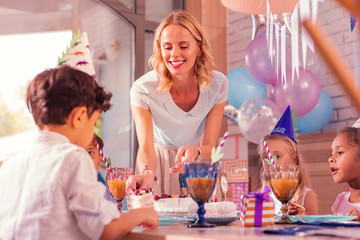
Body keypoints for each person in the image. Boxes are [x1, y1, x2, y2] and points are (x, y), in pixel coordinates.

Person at [0, 66, 158, 240]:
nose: (93, 131)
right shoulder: (73, 157)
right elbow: (105, 229)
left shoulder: (9, 165)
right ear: (79, 117)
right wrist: (144, 214)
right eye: (94, 123)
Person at [128, 10, 228, 195]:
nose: (174, 54)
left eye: (183, 46)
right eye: (167, 47)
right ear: (160, 49)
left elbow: (211, 146)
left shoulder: (218, 85)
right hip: (156, 162)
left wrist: (196, 153)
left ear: (199, 48)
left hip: (197, 164)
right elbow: (146, 147)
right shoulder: (143, 89)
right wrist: (148, 172)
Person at [258, 106, 318, 215]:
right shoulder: (263, 197)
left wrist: (301, 216)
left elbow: (313, 229)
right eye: (265, 157)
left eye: (278, 156)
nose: (270, 162)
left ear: (294, 160)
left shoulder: (307, 196)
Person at [330, 120, 360, 216]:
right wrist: (301, 215)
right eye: (331, 154)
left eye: (340, 152)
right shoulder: (341, 200)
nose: (330, 159)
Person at [86, 134, 114, 202]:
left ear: (100, 159)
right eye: (79, 151)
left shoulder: (101, 186)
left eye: (90, 152)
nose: (84, 156)